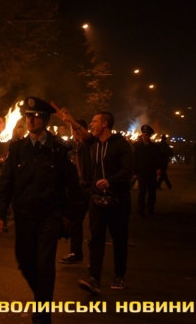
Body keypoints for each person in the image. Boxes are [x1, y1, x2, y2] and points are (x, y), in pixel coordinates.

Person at [0, 97, 79, 324]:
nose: (30, 120)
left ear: (45, 119)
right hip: (24, 216)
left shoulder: (59, 149)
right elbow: (6, 182)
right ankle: (41, 295)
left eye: (36, 116)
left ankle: (42, 313)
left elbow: (72, 186)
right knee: (25, 261)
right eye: (28, 116)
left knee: (45, 263)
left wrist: (69, 215)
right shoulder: (17, 148)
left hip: (50, 215)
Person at [78, 111, 133, 294]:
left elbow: (128, 170)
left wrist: (111, 181)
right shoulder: (94, 145)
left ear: (105, 124)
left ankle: (119, 276)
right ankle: (94, 278)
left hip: (118, 201)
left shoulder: (121, 145)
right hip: (96, 200)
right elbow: (82, 135)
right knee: (95, 239)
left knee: (119, 239)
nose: (91, 124)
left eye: (94, 121)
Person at [58, 117, 94, 264]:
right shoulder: (77, 146)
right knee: (75, 222)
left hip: (84, 190)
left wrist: (72, 121)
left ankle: (77, 253)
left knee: (76, 221)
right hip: (81, 189)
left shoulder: (85, 145)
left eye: (72, 129)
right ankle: (76, 252)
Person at [133, 125, 162, 216]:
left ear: (149, 136)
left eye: (146, 135)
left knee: (152, 192)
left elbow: (158, 159)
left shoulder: (155, 147)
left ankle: (150, 209)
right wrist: (135, 173)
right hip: (142, 173)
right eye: (143, 135)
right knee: (142, 192)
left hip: (152, 173)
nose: (144, 137)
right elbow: (135, 160)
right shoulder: (138, 147)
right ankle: (141, 210)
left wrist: (158, 168)